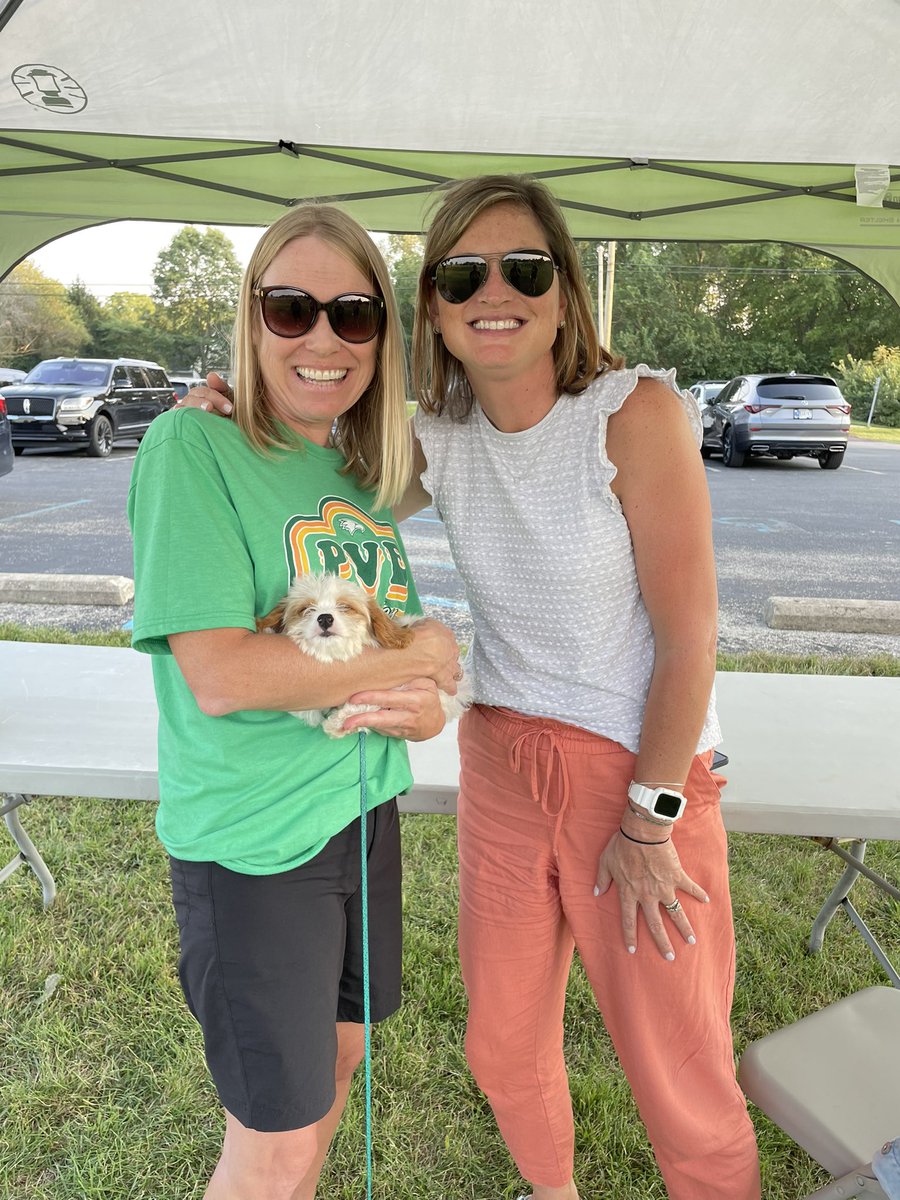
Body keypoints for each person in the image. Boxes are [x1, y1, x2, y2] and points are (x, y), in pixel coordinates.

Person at [184, 175, 762, 1200]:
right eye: (462, 275)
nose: (495, 292)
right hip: (501, 759)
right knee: (501, 1050)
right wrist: (234, 403)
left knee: (678, 1072)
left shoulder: (637, 415)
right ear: (436, 311)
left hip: (638, 776)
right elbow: (323, 482)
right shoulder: (436, 438)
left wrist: (649, 820)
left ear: (565, 291)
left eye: (523, 269)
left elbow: (691, 638)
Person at [127, 204, 460, 1200]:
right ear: (252, 318)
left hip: (362, 817)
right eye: (290, 308)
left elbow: (380, 639)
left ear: (380, 337)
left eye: (353, 314)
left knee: (340, 1073)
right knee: (274, 1141)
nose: (321, 337)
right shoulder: (193, 450)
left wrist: (424, 700)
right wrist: (433, 655)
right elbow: (222, 673)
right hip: (256, 847)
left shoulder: (364, 469)